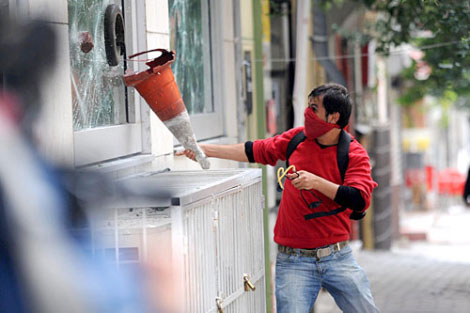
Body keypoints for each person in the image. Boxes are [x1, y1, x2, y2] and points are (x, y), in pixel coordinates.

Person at [177, 83, 380, 313]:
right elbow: (255, 150)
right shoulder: (297, 139)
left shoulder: (354, 153)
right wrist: (204, 150)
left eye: (314, 108)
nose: (307, 113)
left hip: (337, 257)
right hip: (294, 261)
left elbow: (359, 199)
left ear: (333, 117)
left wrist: (316, 183)